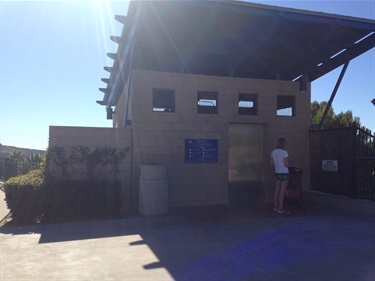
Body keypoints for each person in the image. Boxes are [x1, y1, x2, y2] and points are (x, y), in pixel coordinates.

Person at [271, 138, 290, 214]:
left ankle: (275, 207)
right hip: (284, 172)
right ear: (284, 144)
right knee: (282, 191)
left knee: (277, 190)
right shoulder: (284, 153)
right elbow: (286, 164)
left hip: (277, 172)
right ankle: (280, 208)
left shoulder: (273, 152)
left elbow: (271, 163)